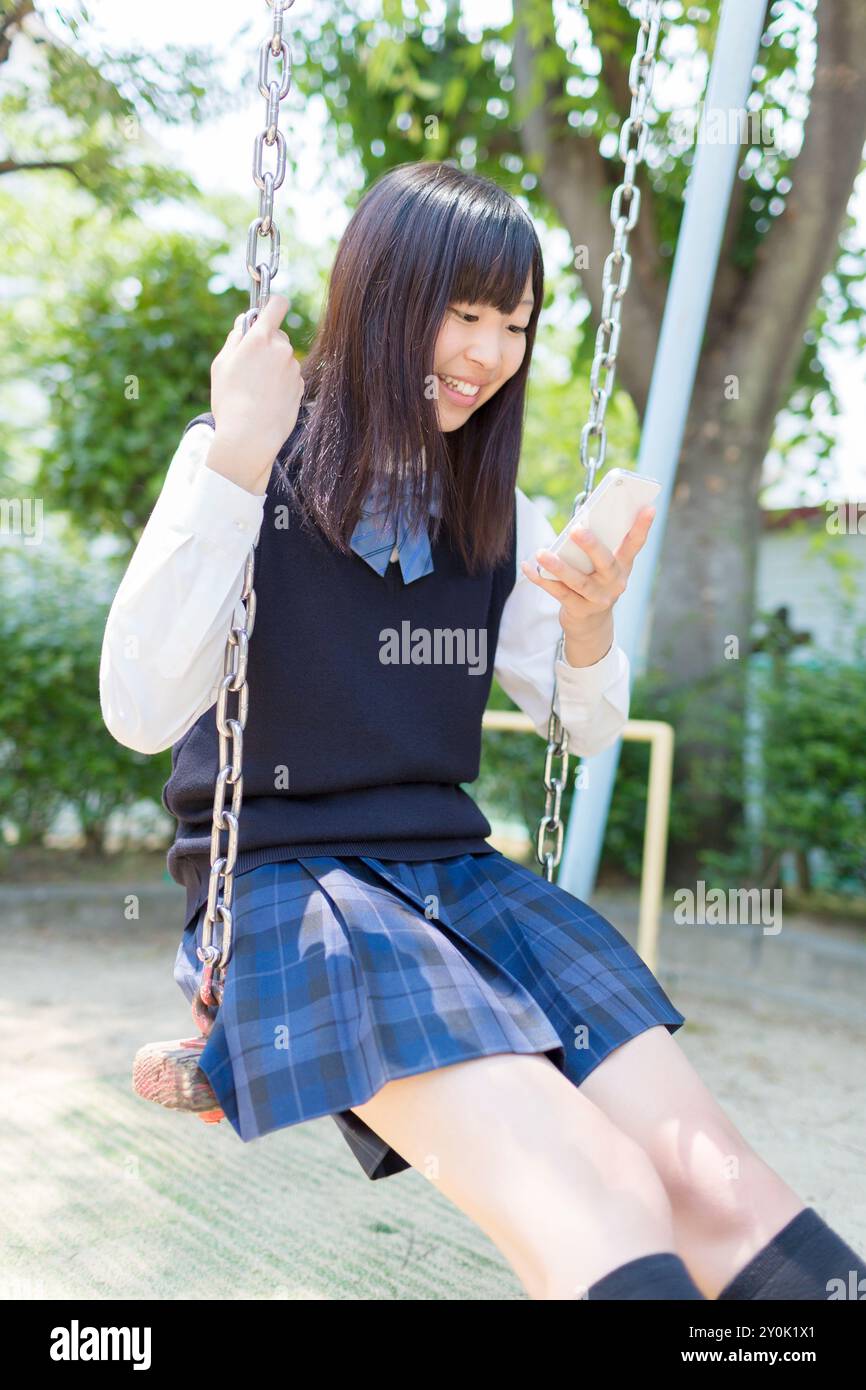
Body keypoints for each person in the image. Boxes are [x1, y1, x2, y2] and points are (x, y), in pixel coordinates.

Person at [100, 160, 864, 1301]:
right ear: (379, 295)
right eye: (462, 313)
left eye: (513, 322)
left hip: (459, 882)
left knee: (714, 1185)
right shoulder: (243, 455)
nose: (488, 353)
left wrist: (592, 625)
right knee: (594, 1192)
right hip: (296, 889)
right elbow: (139, 706)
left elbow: (577, 721)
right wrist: (237, 457)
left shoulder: (490, 508)